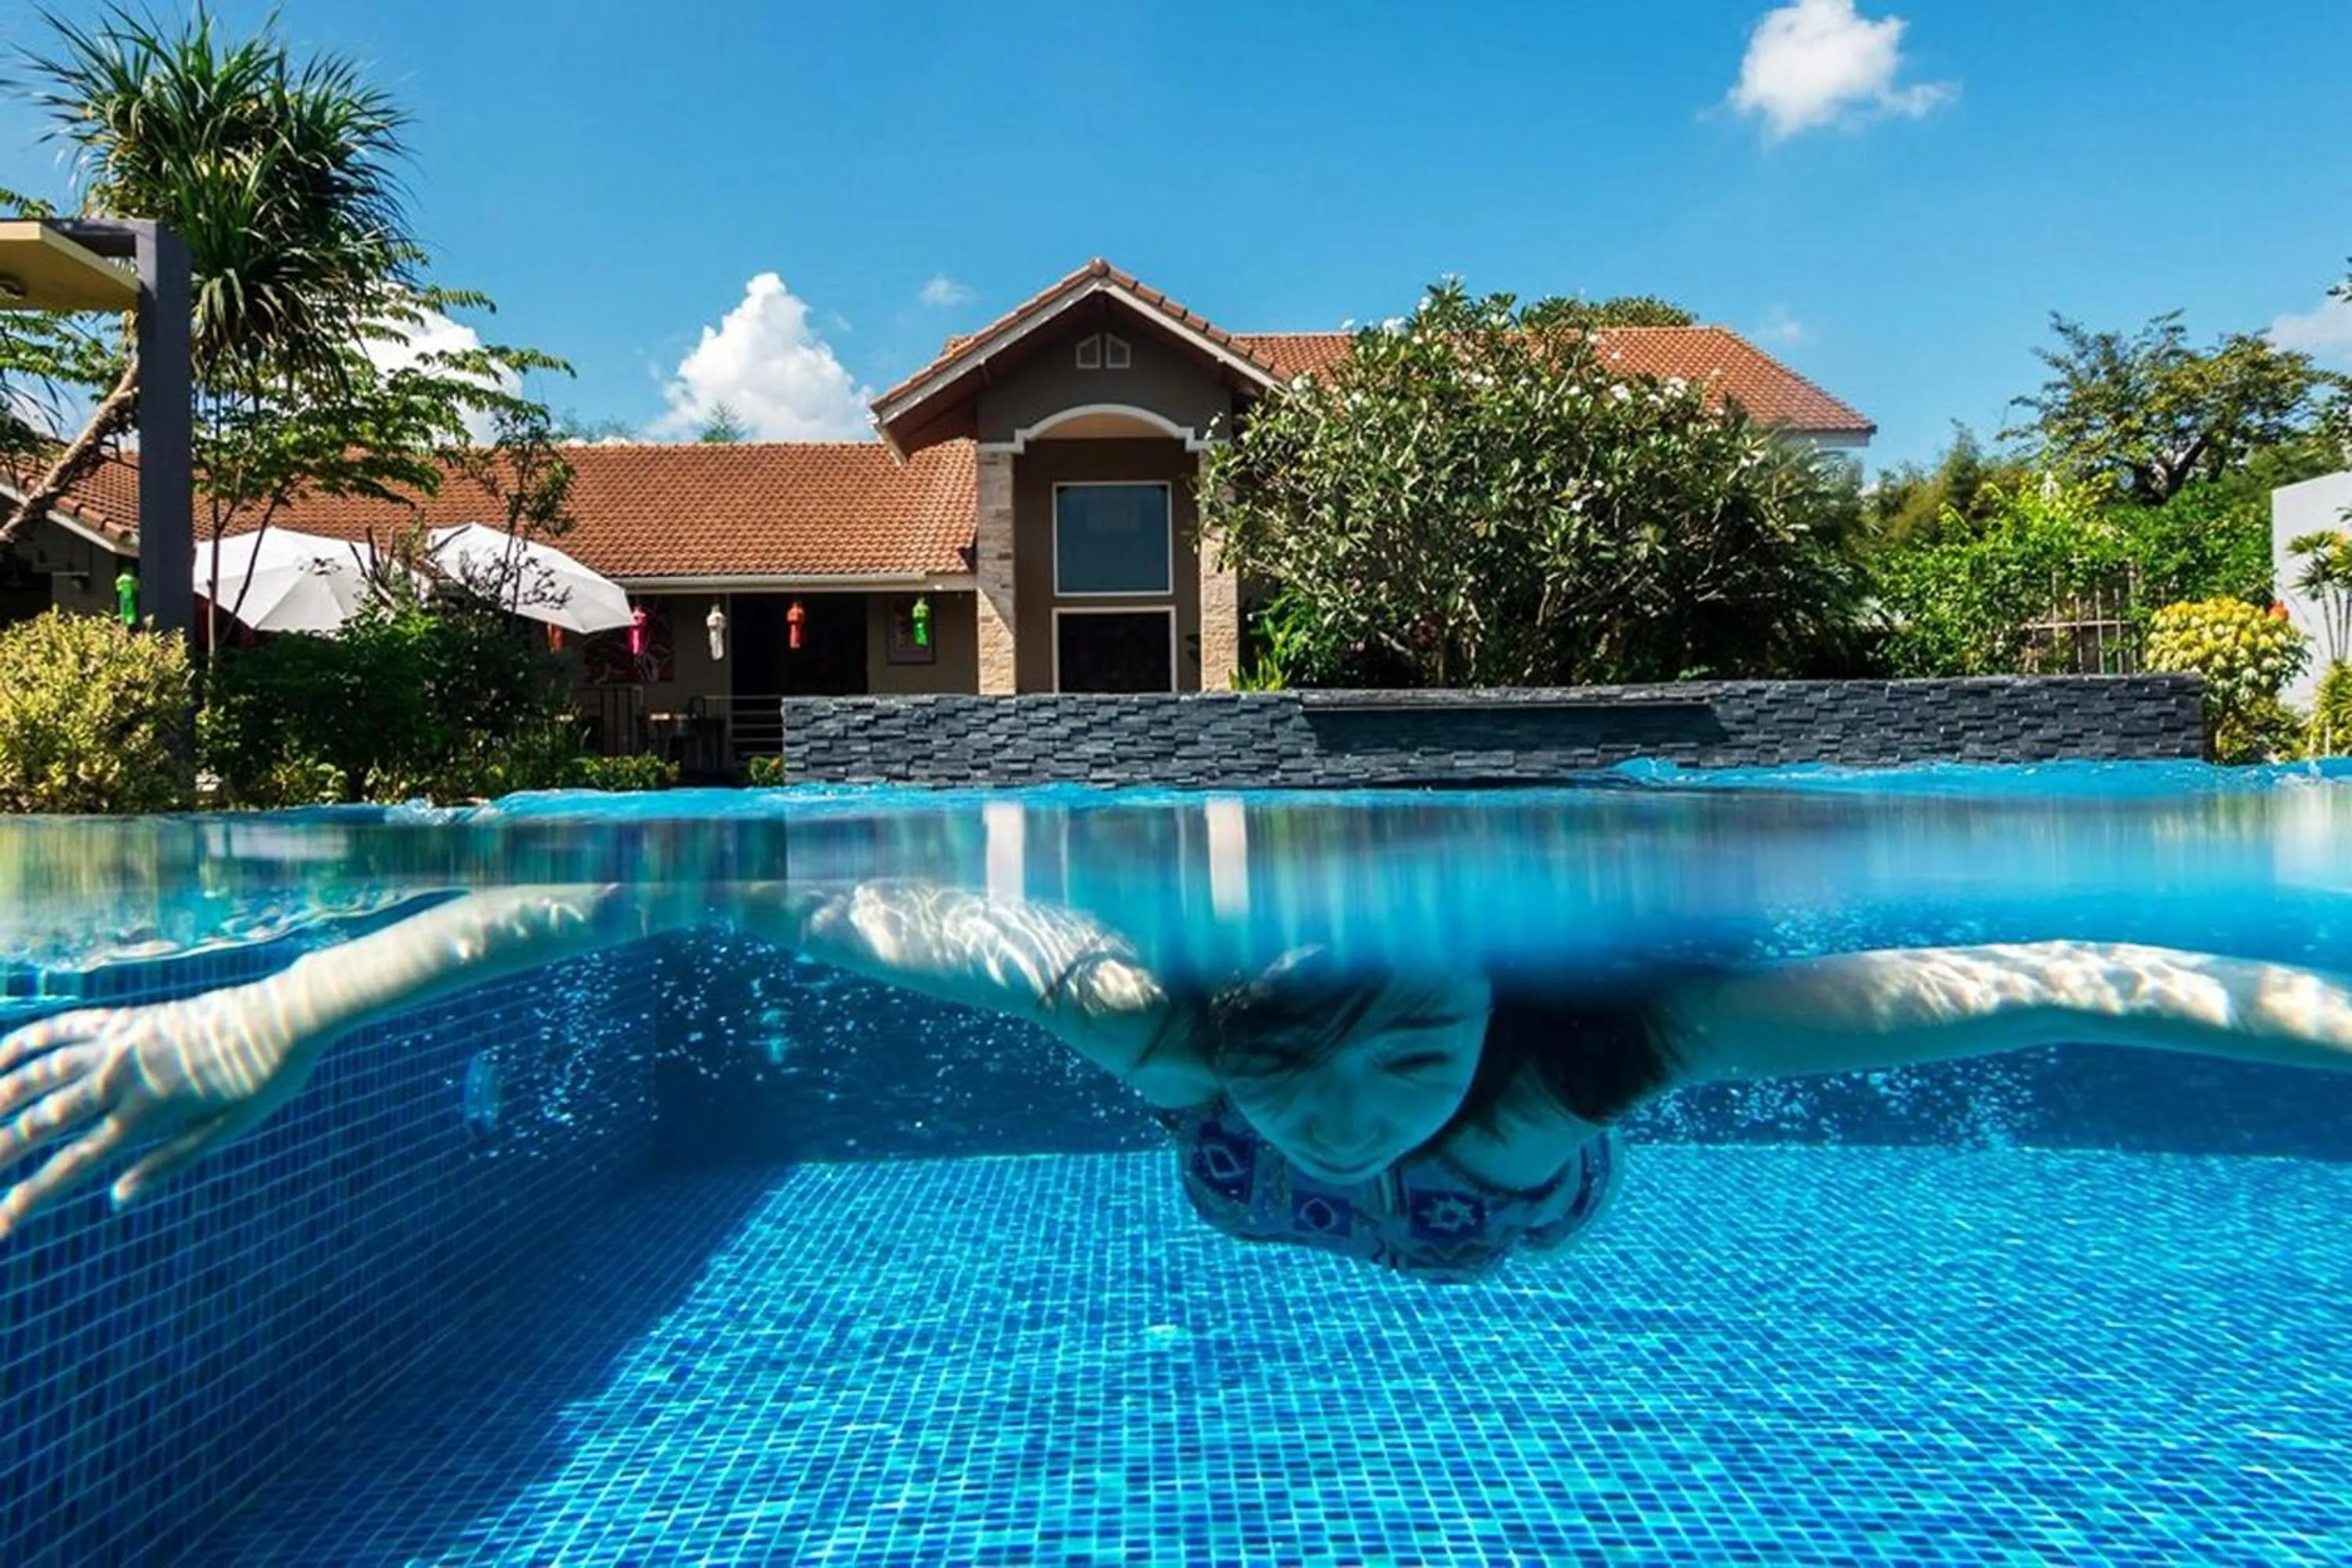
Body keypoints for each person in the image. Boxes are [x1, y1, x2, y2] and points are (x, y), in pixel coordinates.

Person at [5, 877, 2352, 1277]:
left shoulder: (1590, 1052)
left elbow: (2044, 981)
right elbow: (670, 892)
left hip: (1506, 1207)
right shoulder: (1137, 1006)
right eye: (1300, 1052)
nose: (1349, 1110)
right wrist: (269, 1008)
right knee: (1384, 1136)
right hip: (1223, 1152)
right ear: (1231, 1007)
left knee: (1513, 1167)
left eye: (1403, 1043)